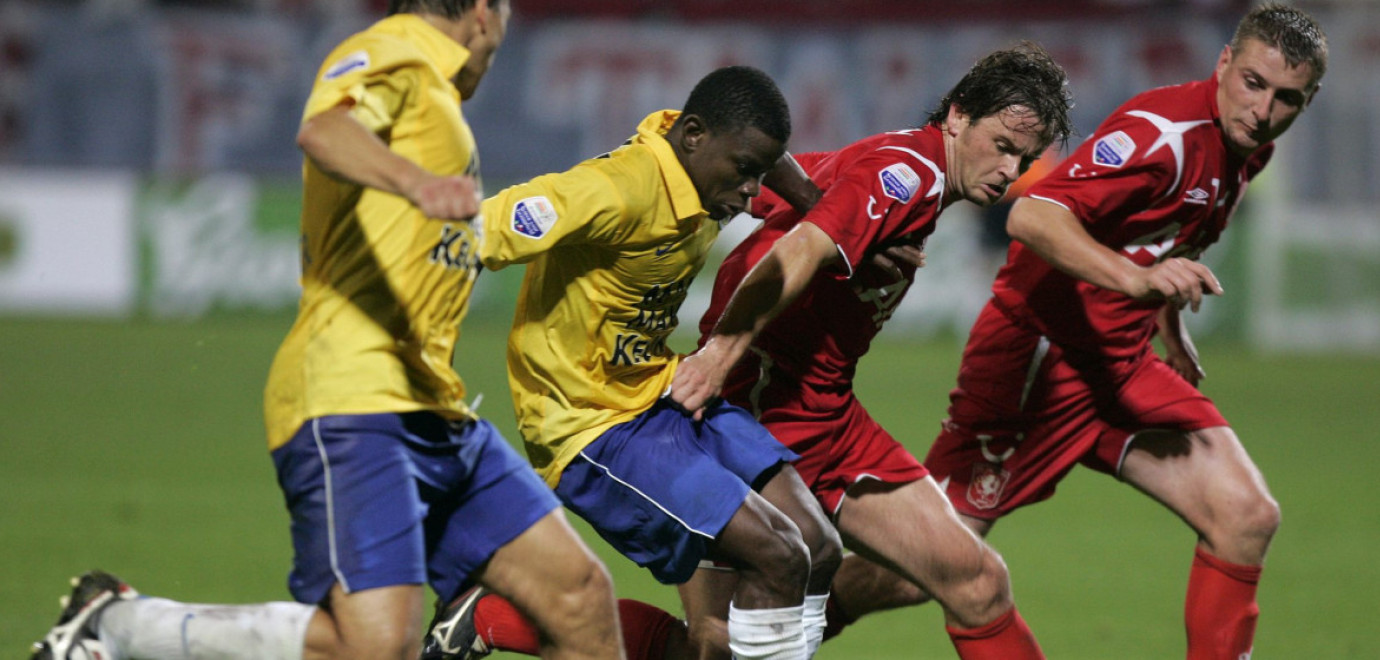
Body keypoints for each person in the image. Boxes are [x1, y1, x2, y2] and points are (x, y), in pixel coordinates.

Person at [31, 2, 625, 659]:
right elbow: (325, 130)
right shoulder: (399, 50)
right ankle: (116, 627)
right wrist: (417, 183)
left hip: (436, 409)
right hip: (355, 400)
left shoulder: (435, 94)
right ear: (483, 12)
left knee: (579, 598)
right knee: (374, 647)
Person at [819, 5, 1328, 659]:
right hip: (1035, 359)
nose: (1263, 109)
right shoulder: (1161, 134)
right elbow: (1034, 215)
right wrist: (1139, 283)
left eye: (1288, 98)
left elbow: (1155, 233)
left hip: (1118, 360)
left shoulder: (1244, 149)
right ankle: (770, 622)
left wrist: (1162, 316)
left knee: (1246, 515)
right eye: (1253, 83)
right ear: (1225, 64)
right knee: (917, 572)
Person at [424, 65, 844, 660]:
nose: (753, 196)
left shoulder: (704, 160)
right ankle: (499, 613)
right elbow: (482, 229)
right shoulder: (618, 188)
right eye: (744, 172)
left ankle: (490, 612)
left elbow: (761, 151)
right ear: (694, 136)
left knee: (816, 546)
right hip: (588, 424)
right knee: (778, 558)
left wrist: (814, 204)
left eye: (758, 172)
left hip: (660, 387)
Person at [668, 43, 1073, 659]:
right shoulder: (908, 177)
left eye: (1025, 158)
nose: (1010, 171)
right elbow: (796, 252)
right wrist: (717, 356)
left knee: (975, 581)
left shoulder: (897, 163)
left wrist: (831, 217)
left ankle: (788, 634)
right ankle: (496, 617)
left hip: (825, 415)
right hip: (746, 413)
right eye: (1002, 145)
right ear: (959, 116)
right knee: (712, 644)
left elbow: (778, 178)